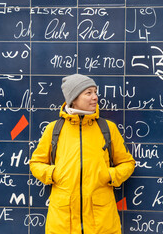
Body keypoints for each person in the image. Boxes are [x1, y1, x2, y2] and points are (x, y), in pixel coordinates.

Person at [30, 74, 135, 234]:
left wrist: (109, 175)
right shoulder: (54, 129)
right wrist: (54, 173)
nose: (95, 97)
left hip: (101, 221)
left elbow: (127, 163)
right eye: (88, 93)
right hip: (63, 221)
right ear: (74, 98)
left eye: (95, 92)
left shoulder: (108, 128)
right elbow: (36, 163)